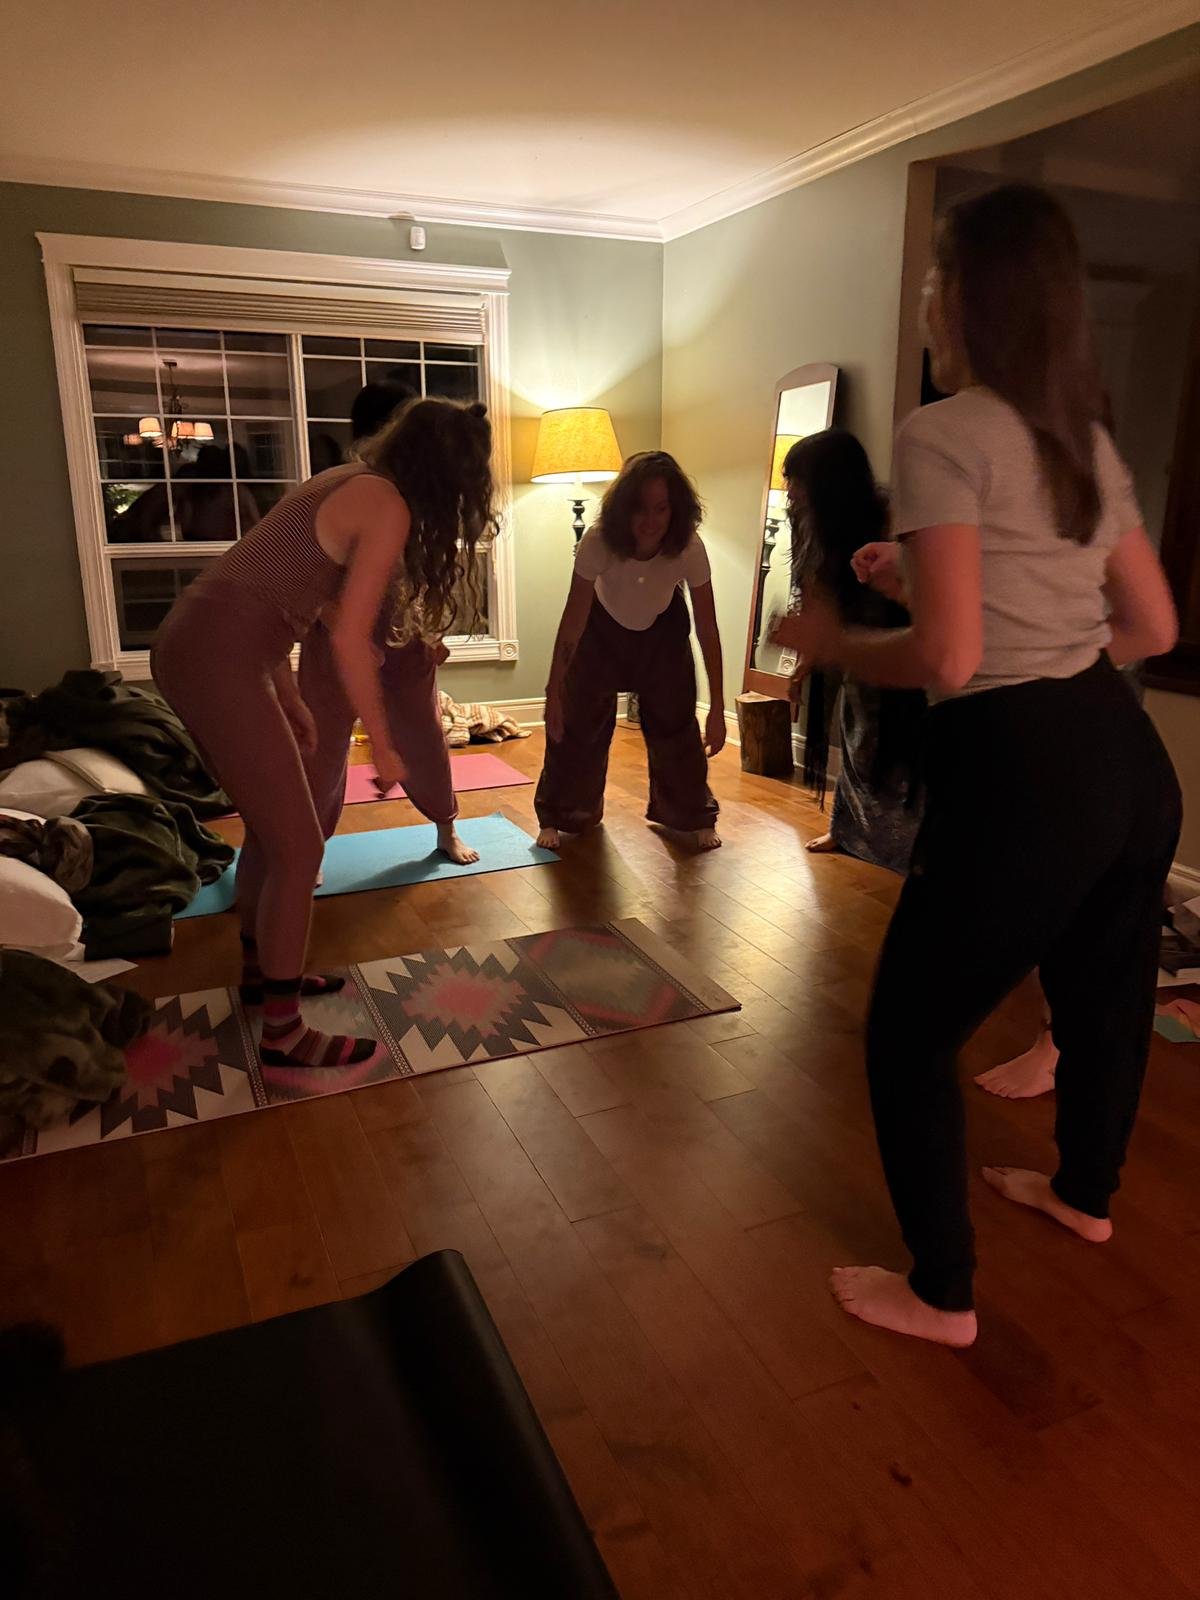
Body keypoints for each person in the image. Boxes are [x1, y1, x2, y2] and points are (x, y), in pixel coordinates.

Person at [772, 182, 1180, 1346]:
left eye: (934, 279)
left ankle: (942, 1293)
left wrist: (836, 643)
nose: (924, 301)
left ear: (966, 298)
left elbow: (949, 657)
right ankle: (1085, 1195)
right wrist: (952, 601)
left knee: (908, 1032)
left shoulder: (943, 433)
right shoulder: (1081, 438)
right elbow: (1149, 625)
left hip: (1025, 777)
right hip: (1128, 760)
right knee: (1105, 1000)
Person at [151, 397, 498, 1068]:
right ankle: (284, 1033)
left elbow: (272, 591)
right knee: (300, 847)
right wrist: (384, 744)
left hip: (211, 646)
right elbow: (348, 641)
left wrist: (284, 690)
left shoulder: (342, 480)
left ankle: (263, 977)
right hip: (217, 657)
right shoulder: (385, 505)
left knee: (273, 832)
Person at [297, 380, 482, 865]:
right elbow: (310, 580)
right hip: (335, 631)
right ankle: (309, 848)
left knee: (424, 734)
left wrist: (432, 635)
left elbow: (424, 576)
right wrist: (339, 623)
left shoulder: (418, 496)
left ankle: (446, 825)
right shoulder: (351, 489)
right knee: (322, 744)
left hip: (402, 632)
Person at [535, 451, 724, 852]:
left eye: (661, 509)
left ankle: (691, 815)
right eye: (640, 508)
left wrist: (719, 708)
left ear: (676, 509)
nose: (650, 521)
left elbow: (708, 630)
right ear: (623, 508)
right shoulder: (598, 542)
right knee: (577, 727)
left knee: (676, 727)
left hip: (663, 635)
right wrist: (554, 692)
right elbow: (572, 622)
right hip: (598, 633)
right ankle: (560, 814)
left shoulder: (689, 547)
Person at [782, 429, 925, 872]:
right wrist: (804, 666)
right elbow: (818, 600)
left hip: (890, 644)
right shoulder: (814, 526)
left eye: (797, 481)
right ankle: (847, 830)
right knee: (853, 737)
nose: (791, 492)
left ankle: (902, 845)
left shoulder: (885, 518)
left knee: (889, 746)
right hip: (851, 649)